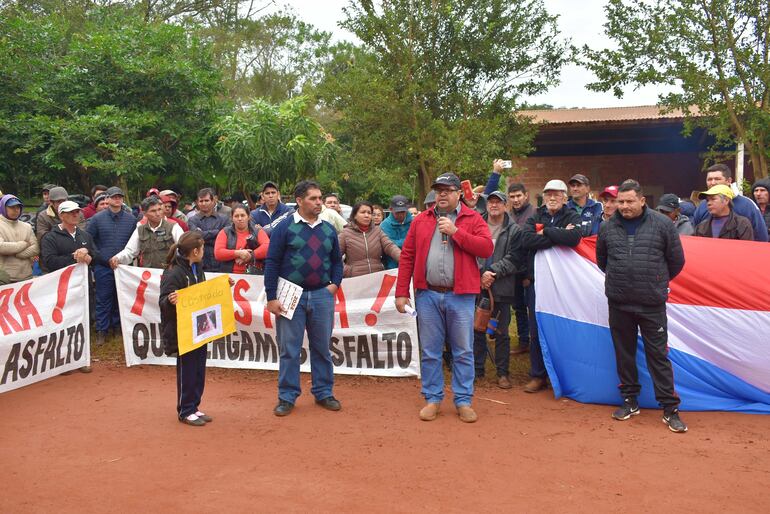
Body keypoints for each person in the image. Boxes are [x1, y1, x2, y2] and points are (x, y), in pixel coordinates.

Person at [395, 172, 493, 423]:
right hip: (427, 295)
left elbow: (486, 248)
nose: (442, 194)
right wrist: (401, 292)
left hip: (460, 296)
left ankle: (463, 400)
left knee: (462, 351)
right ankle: (433, 398)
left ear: (459, 194)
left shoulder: (472, 218)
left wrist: (456, 232)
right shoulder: (421, 221)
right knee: (430, 351)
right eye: (438, 190)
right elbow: (407, 256)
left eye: (448, 190)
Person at [596, 180, 687, 433]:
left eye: (629, 201)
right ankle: (629, 401)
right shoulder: (607, 227)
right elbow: (602, 261)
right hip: (619, 302)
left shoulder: (663, 224)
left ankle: (670, 409)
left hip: (652, 304)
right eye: (620, 202)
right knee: (624, 354)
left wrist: (655, 280)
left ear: (642, 200)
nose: (624, 206)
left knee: (658, 356)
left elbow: (676, 262)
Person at [264, 180, 344, 417]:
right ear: (299, 201)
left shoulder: (329, 229)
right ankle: (287, 397)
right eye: (314, 198)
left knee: (322, 348)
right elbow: (272, 262)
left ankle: (324, 392)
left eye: (320, 198)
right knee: (289, 349)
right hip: (290, 296)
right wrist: (271, 297)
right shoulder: (284, 227)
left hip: (322, 296)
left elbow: (337, 263)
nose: (319, 202)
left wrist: (334, 286)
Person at [520, 179, 582, 393]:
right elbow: (526, 240)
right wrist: (557, 233)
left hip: (564, 284)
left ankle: (566, 374)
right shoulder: (536, 215)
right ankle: (538, 375)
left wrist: (545, 231)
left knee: (563, 326)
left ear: (565, 197)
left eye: (557, 194)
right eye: (548, 194)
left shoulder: (572, 215)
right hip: (537, 282)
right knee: (536, 329)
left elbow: (574, 237)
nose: (552, 198)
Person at [159, 231, 212, 427]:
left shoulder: (198, 268)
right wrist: (171, 301)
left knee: (199, 369)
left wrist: (225, 286)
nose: (204, 251)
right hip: (183, 331)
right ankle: (185, 410)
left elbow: (205, 294)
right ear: (195, 251)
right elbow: (162, 301)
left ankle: (194, 406)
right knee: (187, 370)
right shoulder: (174, 273)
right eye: (203, 248)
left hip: (200, 328)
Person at [40, 200, 101, 372]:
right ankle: (63, 360)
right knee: (63, 324)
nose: (76, 215)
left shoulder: (85, 236)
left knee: (84, 322)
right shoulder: (50, 237)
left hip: (84, 288)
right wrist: (74, 257)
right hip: (62, 290)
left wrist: (89, 257)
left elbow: (95, 256)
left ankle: (82, 358)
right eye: (71, 212)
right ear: (62, 215)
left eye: (77, 212)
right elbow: (49, 262)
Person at [472, 191, 525, 389]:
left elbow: (515, 259)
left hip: (502, 287)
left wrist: (492, 272)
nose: (494, 205)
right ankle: (478, 370)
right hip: (477, 285)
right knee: (477, 329)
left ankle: (503, 373)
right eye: (491, 202)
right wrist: (479, 275)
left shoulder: (514, 230)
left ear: (505, 206)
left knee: (502, 332)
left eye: (498, 202)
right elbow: (469, 250)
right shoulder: (476, 224)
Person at [87, 186, 138, 344]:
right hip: (103, 266)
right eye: (113, 197)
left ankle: (117, 328)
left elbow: (134, 244)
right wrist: (101, 258)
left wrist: (123, 260)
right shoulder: (97, 219)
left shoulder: (131, 219)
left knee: (120, 297)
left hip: (124, 267)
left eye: (120, 197)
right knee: (103, 298)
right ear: (107, 199)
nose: (117, 199)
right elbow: (90, 241)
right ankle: (102, 330)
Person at [691, 164, 768, 241]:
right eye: (709, 179)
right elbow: (693, 237)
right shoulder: (702, 206)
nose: (713, 183)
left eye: (717, 179)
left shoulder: (747, 205)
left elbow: (761, 237)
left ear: (729, 181)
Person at [109, 196, 183, 269]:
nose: (158, 213)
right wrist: (117, 258)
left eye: (159, 209)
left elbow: (183, 248)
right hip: (148, 275)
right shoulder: (140, 229)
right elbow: (130, 251)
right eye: (153, 211)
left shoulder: (173, 227)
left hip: (169, 273)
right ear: (144, 213)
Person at [338, 201, 401, 277]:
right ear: (354, 215)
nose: (367, 215)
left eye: (369, 213)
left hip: (377, 277)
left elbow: (390, 246)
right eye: (363, 212)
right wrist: (346, 271)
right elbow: (335, 256)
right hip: (355, 280)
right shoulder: (345, 233)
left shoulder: (378, 231)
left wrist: (404, 259)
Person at [214, 204, 270, 274]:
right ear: (232, 218)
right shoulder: (225, 232)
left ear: (248, 217)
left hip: (255, 276)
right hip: (230, 277)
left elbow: (268, 247)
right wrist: (238, 253)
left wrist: (250, 256)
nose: (240, 219)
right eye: (236, 216)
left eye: (242, 215)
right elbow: (218, 253)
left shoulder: (257, 231)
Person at [188, 188, 229, 272]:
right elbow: (196, 239)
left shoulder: (224, 219)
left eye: (206, 200)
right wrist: (218, 232)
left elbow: (227, 238)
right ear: (197, 202)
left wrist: (203, 235)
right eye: (201, 201)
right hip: (201, 265)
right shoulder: (192, 220)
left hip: (222, 265)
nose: (203, 203)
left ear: (213, 201)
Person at [0, 194, 39, 283]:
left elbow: (35, 248)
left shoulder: (27, 226)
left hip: (26, 276)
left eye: (18, 207)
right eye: (12, 207)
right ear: (3, 208)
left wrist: (19, 254)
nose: (16, 210)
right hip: (5, 279)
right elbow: (1, 247)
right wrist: (23, 244)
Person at [380, 195, 413, 270]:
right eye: (397, 212)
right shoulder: (385, 225)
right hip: (392, 266)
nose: (401, 215)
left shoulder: (414, 222)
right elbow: (388, 245)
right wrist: (409, 242)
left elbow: (418, 241)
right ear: (391, 209)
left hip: (412, 264)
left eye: (403, 211)